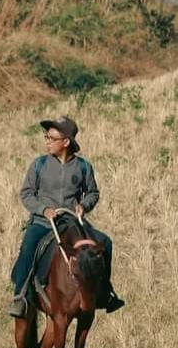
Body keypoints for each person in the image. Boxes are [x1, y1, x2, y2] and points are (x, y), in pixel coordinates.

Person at [8, 116, 125, 318]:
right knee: (28, 249)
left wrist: (83, 205)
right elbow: (26, 193)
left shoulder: (83, 167)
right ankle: (20, 298)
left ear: (66, 142)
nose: (47, 141)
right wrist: (44, 209)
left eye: (51, 138)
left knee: (105, 242)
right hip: (43, 223)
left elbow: (92, 193)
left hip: (72, 223)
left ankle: (106, 292)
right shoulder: (39, 164)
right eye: (46, 137)